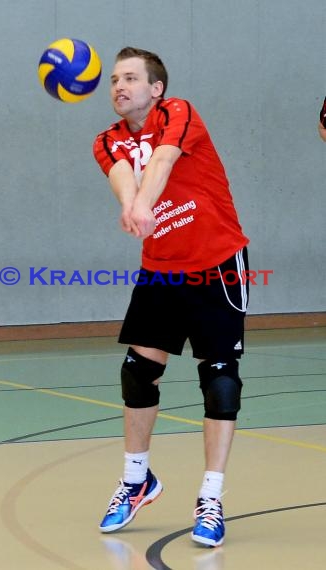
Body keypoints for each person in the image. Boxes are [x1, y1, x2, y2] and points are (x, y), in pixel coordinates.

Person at [93, 46, 250, 548]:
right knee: (138, 371)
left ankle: (212, 496)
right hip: (161, 271)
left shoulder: (177, 112)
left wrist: (143, 202)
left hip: (216, 262)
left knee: (220, 379)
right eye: (114, 79)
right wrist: (129, 203)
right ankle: (137, 478)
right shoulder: (107, 139)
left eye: (130, 78)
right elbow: (122, 173)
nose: (119, 86)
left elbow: (160, 160)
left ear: (155, 88)